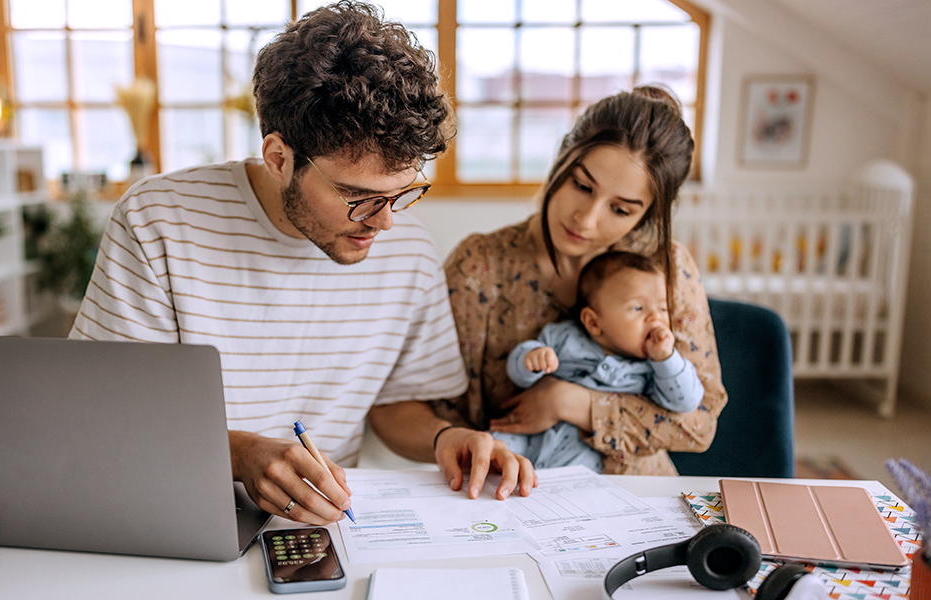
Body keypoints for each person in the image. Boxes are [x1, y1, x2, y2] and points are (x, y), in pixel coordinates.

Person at [69, 1, 537, 526]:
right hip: (174, 512)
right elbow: (106, 415)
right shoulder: (159, 220)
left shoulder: (408, 249)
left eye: (402, 193)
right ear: (278, 157)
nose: (383, 223)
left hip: (326, 528)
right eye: (358, 196)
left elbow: (394, 405)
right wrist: (241, 455)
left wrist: (446, 438)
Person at [438, 85, 728, 475]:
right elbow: (437, 413)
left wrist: (569, 402)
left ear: (647, 215)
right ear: (561, 157)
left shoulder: (667, 268)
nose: (586, 219)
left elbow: (699, 423)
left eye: (621, 209)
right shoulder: (479, 267)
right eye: (582, 186)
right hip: (509, 491)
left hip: (637, 501)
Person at [496, 250, 705, 471]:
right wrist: (530, 359)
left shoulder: (654, 368)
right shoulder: (565, 337)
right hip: (532, 434)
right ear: (594, 323)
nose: (656, 318)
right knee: (497, 444)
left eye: (663, 308)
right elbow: (519, 378)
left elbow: (685, 402)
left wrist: (665, 358)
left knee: (576, 478)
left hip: (584, 449)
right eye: (638, 308)